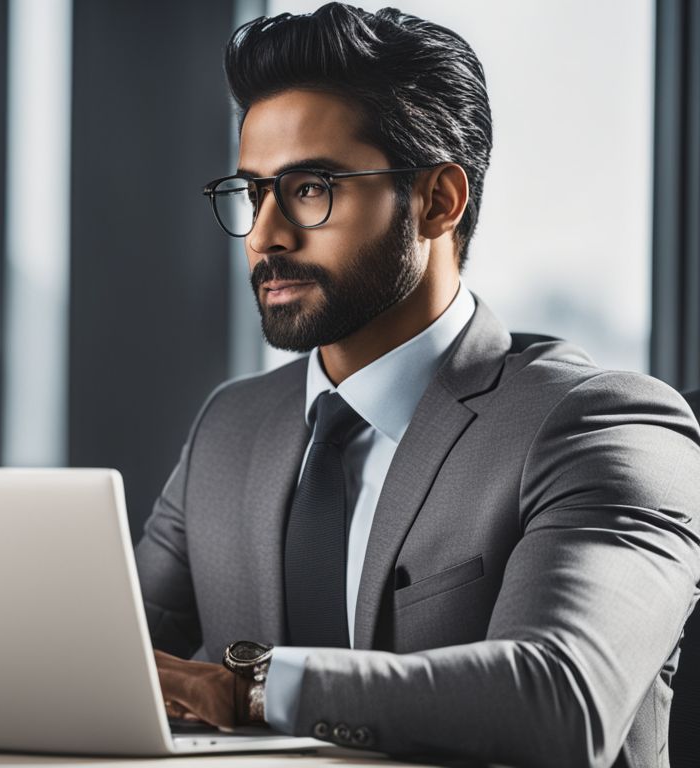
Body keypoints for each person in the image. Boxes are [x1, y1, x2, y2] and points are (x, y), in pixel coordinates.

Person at [136, 4, 700, 767]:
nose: (267, 232)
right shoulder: (230, 427)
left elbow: (563, 699)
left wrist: (252, 687)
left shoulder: (603, 425)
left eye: (309, 189)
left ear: (438, 201)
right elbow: (112, 657)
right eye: (254, 192)